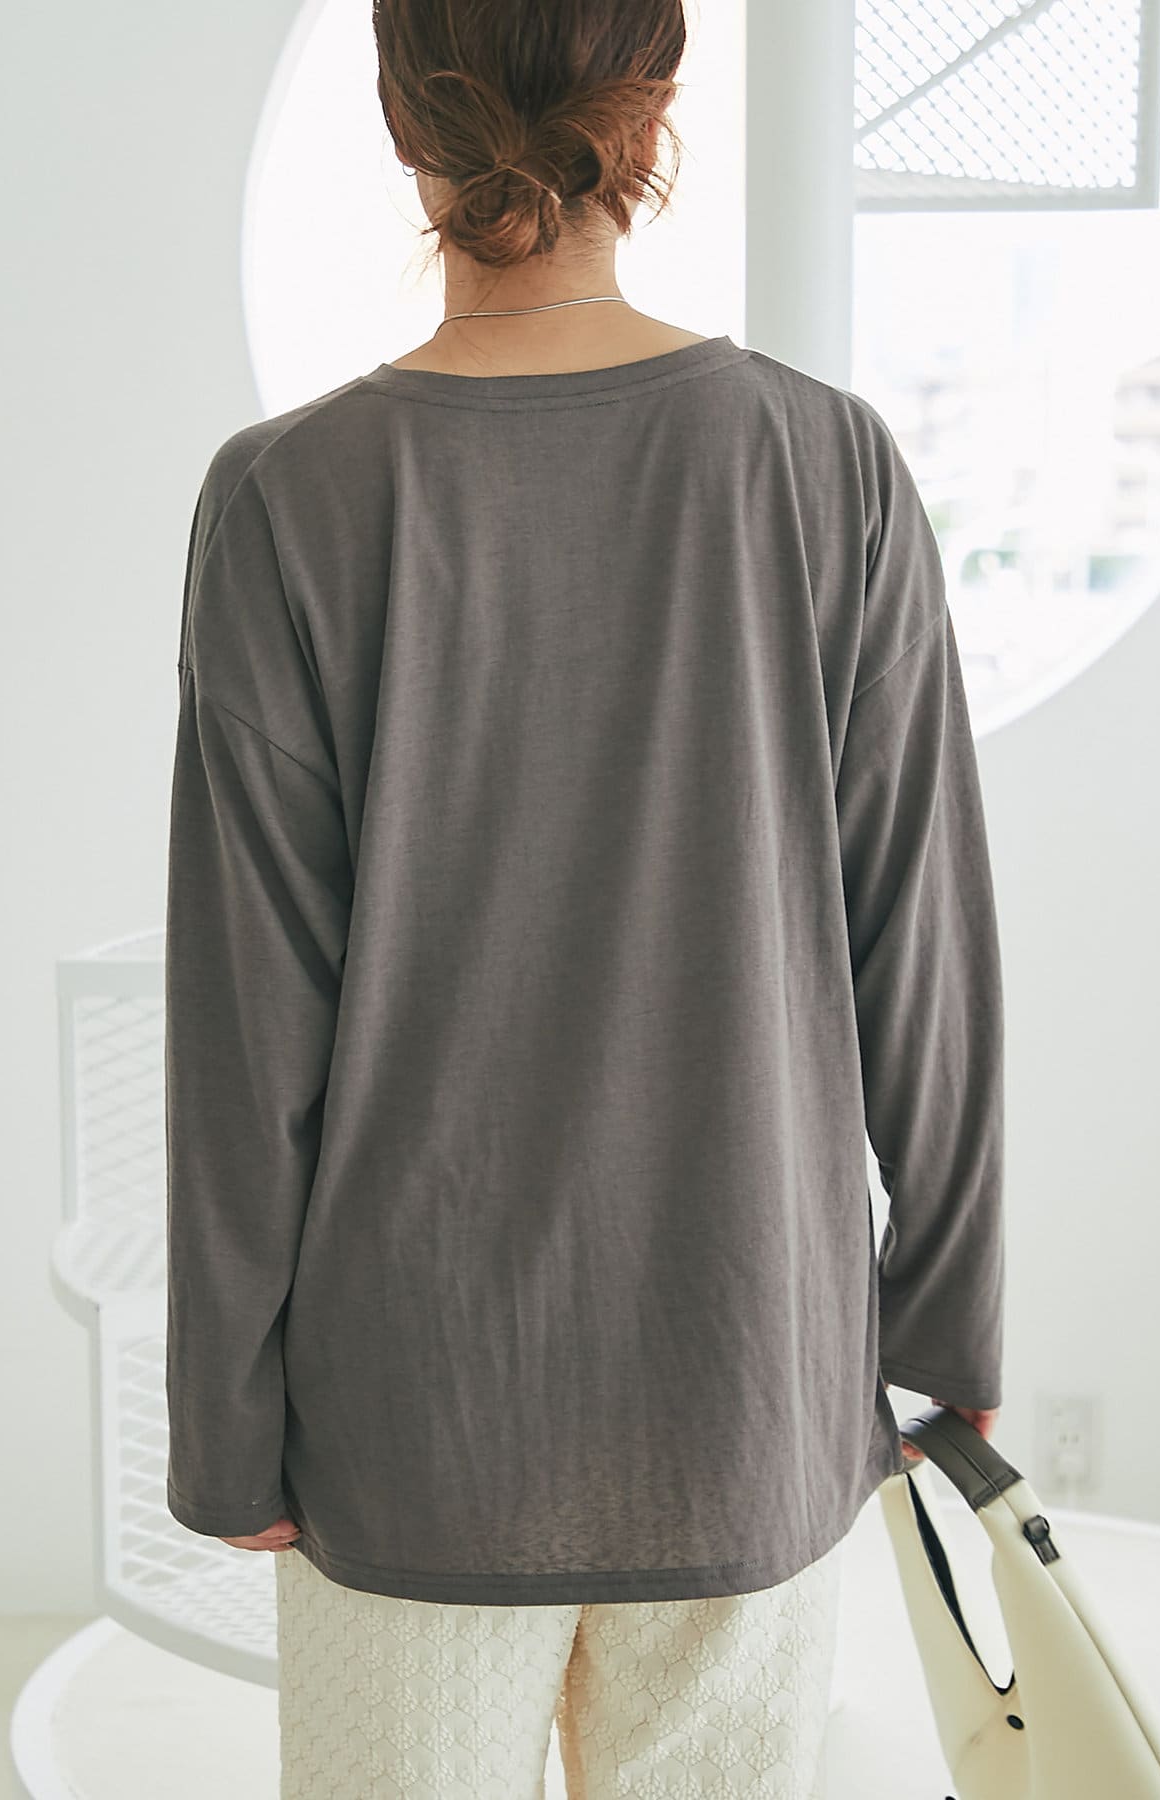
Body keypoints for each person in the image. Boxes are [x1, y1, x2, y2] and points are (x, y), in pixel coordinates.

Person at [161, 1, 1005, 1793]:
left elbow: (248, 1024)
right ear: (656, 104)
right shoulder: (831, 464)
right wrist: (950, 1324)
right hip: (748, 1386)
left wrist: (228, 1419)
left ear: (401, 118)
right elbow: (919, 949)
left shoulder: (289, 498)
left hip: (414, 1414)